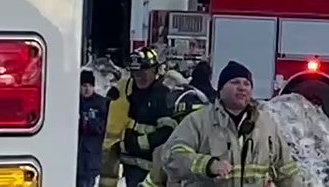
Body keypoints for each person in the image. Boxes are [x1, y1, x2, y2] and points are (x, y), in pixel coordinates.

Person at [164, 61, 301, 186]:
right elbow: (171, 156)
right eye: (235, 82)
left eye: (247, 84)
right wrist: (208, 165)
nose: (242, 87)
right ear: (221, 89)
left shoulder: (266, 126)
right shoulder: (198, 121)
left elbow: (287, 171)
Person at [100, 47, 177, 187]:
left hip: (153, 169)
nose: (138, 76)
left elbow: (168, 131)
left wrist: (138, 143)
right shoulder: (123, 89)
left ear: (155, 70)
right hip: (128, 165)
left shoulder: (163, 95)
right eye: (135, 72)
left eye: (143, 71)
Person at [78, 69, 109, 187]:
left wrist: (88, 123)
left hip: (92, 156)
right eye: (84, 85)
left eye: (89, 85)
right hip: (76, 155)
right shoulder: (74, 101)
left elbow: (104, 126)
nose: (86, 89)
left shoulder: (101, 103)